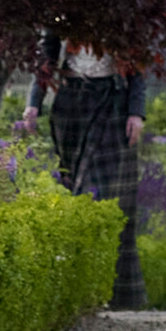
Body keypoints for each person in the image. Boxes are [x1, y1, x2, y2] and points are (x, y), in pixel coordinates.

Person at [24, 38, 147, 310]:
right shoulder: (64, 6)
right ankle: (74, 292)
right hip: (70, 103)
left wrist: (136, 112)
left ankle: (117, 294)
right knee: (74, 194)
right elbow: (47, 56)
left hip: (112, 100)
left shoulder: (125, 5)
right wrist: (34, 103)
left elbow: (137, 64)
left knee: (105, 197)